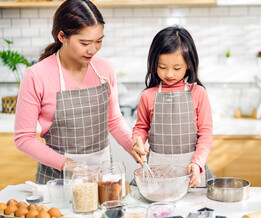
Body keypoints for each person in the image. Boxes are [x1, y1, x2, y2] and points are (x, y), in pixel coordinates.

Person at [14, 0, 138, 184]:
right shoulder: (36, 75)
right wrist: (70, 165)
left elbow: (113, 120)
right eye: (84, 42)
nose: (93, 49)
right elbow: (23, 139)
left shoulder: (105, 69)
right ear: (62, 36)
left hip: (102, 180)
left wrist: (133, 146)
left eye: (99, 41)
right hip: (57, 181)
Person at [131, 26, 214, 188]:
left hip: (190, 173)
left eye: (177, 68)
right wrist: (137, 142)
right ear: (153, 63)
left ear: (189, 65)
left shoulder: (198, 93)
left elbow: (206, 135)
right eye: (162, 67)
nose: (169, 74)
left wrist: (197, 163)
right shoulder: (148, 96)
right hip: (156, 173)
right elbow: (141, 128)